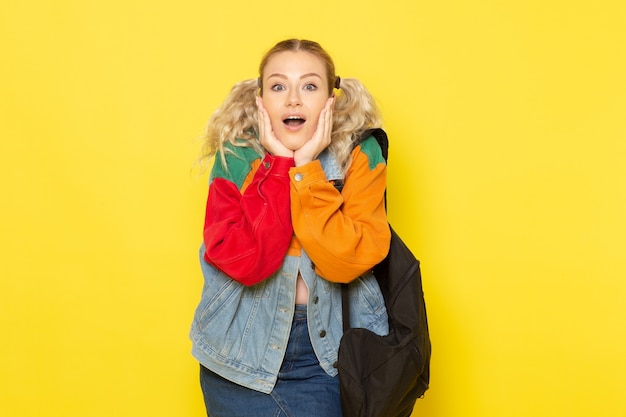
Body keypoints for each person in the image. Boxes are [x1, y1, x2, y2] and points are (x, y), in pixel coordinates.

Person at [189, 39, 391, 417]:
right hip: (237, 353)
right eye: (279, 86)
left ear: (332, 100)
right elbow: (250, 263)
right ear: (261, 100)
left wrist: (307, 169)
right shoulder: (236, 156)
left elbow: (344, 261)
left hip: (330, 357)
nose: (293, 99)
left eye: (309, 86)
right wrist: (281, 167)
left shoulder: (361, 153)